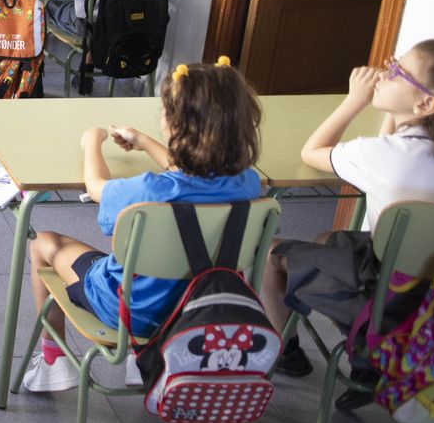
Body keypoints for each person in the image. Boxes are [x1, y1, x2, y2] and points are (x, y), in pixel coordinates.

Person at [261, 38, 434, 405]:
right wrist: (393, 109)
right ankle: (365, 364)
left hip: (383, 304)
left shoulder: (383, 157)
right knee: (327, 237)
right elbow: (389, 154)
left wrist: (355, 99)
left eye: (398, 72)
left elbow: (312, 151)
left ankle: (288, 354)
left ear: (425, 104)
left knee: (270, 253)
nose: (385, 73)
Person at [20, 58, 265, 392]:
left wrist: (91, 142)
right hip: (203, 307)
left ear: (175, 125)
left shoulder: (149, 191)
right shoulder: (249, 184)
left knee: (44, 244)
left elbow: (96, 187)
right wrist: (145, 142)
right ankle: (143, 357)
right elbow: (194, 172)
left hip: (132, 310)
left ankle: (53, 363)